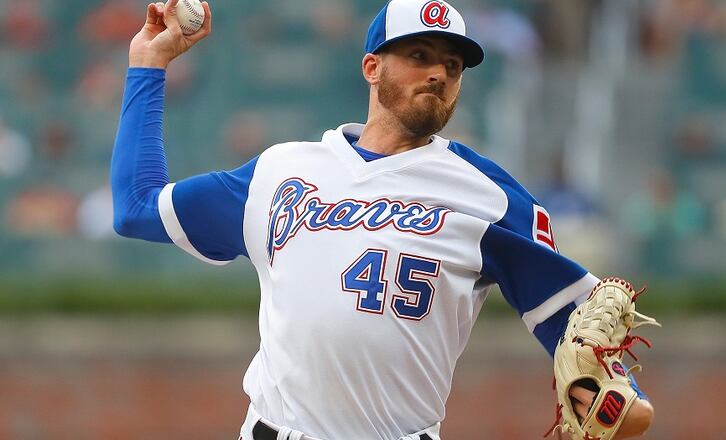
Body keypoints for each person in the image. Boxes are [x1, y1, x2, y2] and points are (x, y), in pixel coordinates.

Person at [111, 1, 654, 439]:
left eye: (454, 65)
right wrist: (148, 64)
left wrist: (616, 399)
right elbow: (137, 206)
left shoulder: (490, 197)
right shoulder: (280, 172)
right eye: (419, 54)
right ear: (372, 67)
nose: (439, 72)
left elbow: (585, 338)